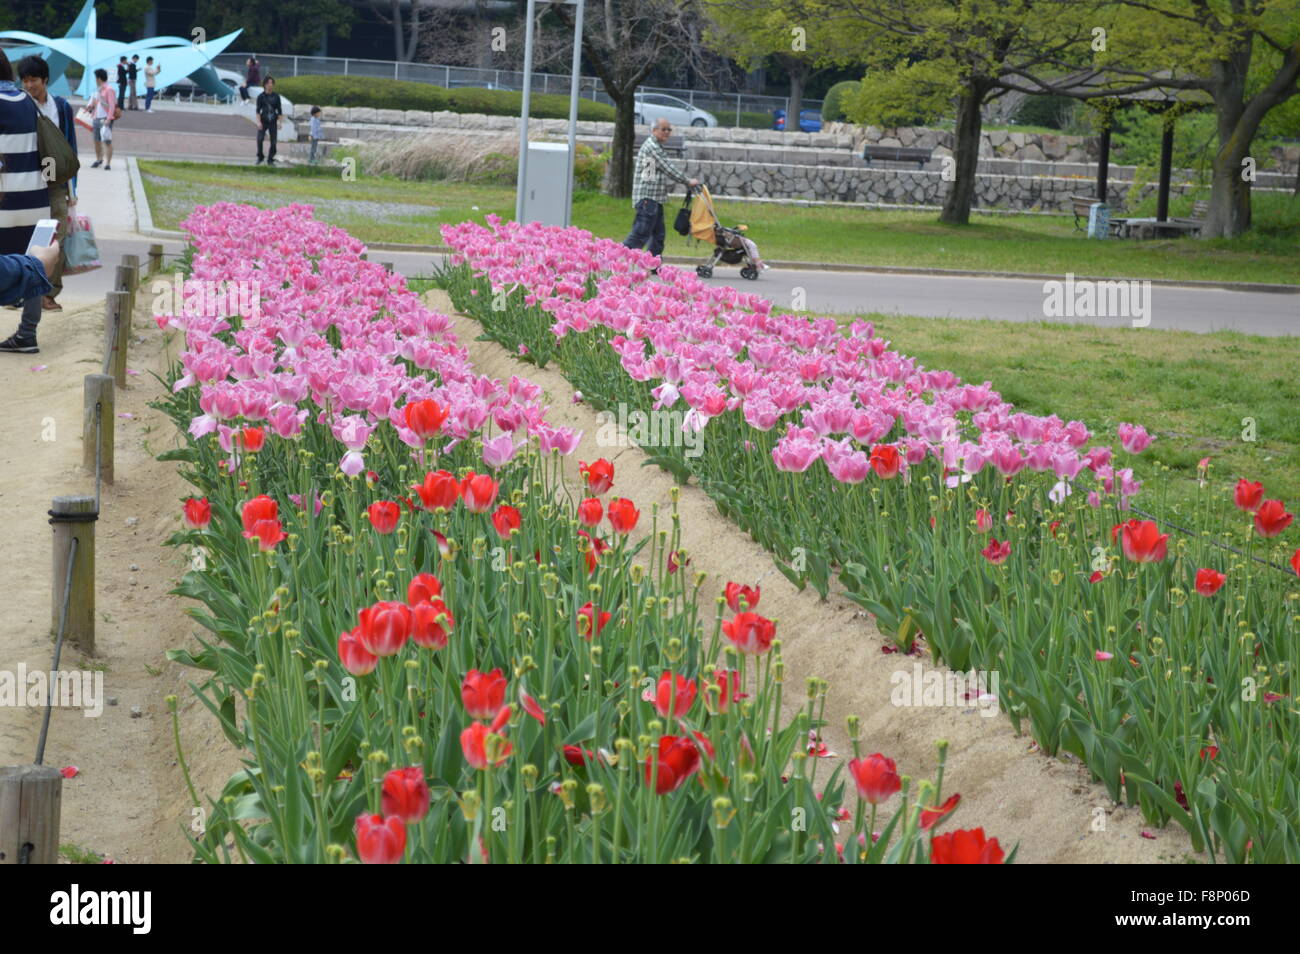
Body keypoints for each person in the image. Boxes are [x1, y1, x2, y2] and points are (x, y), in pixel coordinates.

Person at [0, 49, 52, 354]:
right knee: (33, 263)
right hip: (36, 200)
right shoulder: (26, 101)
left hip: (5, 202)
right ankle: (27, 334)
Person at [17, 54, 78, 312]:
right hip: (27, 181)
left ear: (45, 80)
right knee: (26, 235)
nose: (29, 85)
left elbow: (69, 148)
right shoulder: (18, 105)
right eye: (25, 80)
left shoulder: (61, 107)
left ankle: (48, 294)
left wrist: (73, 188)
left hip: (55, 182)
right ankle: (21, 292)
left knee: (57, 236)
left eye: (33, 80)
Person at [624, 117, 698, 270]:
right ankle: (618, 260)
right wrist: (687, 181)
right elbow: (667, 168)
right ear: (654, 130)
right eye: (663, 129)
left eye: (669, 129)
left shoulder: (654, 146)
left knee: (658, 236)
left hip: (654, 199)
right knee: (640, 234)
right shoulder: (652, 147)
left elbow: (650, 174)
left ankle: (653, 265)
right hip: (648, 200)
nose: (667, 132)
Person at [87, 68, 116, 171]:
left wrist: (108, 119)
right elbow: (95, 103)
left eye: (96, 78)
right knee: (96, 140)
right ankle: (99, 159)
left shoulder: (109, 89)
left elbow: (112, 106)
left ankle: (108, 163)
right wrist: (91, 106)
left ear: (99, 78)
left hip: (105, 119)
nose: (95, 80)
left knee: (107, 141)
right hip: (96, 117)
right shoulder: (97, 90)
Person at [255, 76, 282, 165]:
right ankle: (260, 156)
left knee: (273, 142)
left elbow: (279, 110)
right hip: (263, 121)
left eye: (271, 83)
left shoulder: (276, 96)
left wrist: (279, 121)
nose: (270, 85)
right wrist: (258, 122)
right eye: (268, 83)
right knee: (260, 139)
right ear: (264, 85)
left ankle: (270, 159)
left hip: (273, 121)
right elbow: (258, 110)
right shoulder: (260, 97)